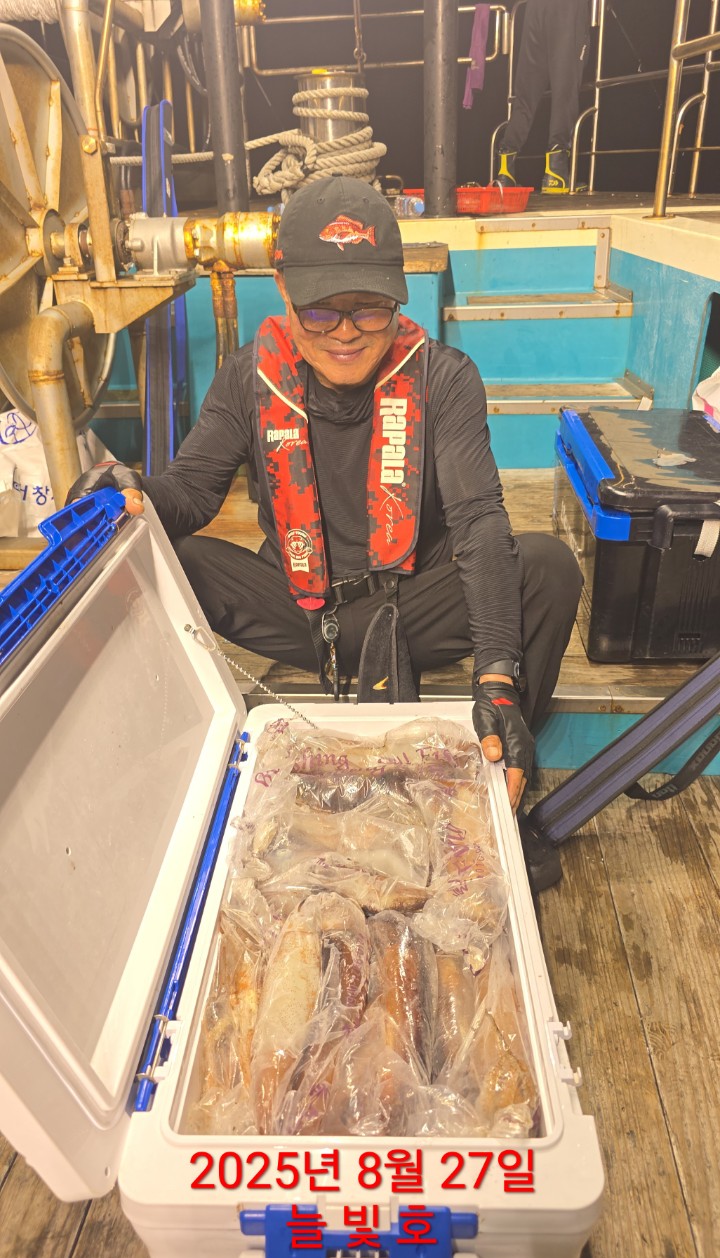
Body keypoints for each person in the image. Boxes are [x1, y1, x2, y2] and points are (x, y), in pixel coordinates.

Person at [68, 176, 582, 890]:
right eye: (320, 309)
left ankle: (503, 778)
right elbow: (188, 493)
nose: (345, 332)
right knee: (163, 555)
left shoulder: (444, 378)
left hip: (411, 611)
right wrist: (127, 487)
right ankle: (165, 780)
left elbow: (478, 521)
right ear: (283, 289)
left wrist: (497, 676)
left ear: (398, 295)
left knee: (548, 567)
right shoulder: (247, 379)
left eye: (369, 307)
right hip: (300, 612)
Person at [496, 0, 592, 194]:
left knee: (525, 94)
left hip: (535, 8)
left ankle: (505, 171)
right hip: (567, 9)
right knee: (564, 91)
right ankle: (556, 172)